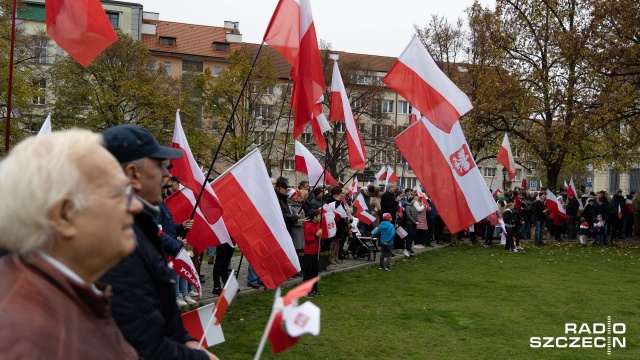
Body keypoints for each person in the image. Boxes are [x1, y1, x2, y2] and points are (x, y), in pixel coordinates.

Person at [0, 130, 140, 359]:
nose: (136, 206)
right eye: (120, 193)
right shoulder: (23, 340)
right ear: (63, 216)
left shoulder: (61, 295)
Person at [99, 125, 219, 360]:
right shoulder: (115, 240)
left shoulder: (139, 226)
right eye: (159, 164)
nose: (166, 174)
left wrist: (188, 342)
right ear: (133, 174)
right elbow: (140, 341)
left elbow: (162, 314)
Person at [303, 209, 322, 298]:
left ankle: (314, 289)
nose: (320, 218)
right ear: (314, 217)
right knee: (308, 272)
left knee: (315, 271)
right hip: (309, 251)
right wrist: (316, 235)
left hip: (316, 250)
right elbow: (307, 239)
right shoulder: (308, 227)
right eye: (318, 216)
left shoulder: (316, 225)